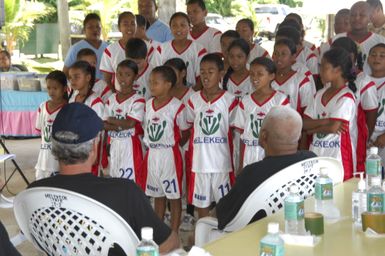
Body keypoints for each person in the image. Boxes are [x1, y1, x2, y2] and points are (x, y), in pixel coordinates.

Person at [28, 102, 180, 253]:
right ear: (94, 147)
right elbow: (169, 244)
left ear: (53, 146)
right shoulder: (125, 192)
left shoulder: (34, 192)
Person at [216, 106, 316, 230]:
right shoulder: (311, 161)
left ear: (263, 135)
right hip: (300, 231)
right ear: (299, 136)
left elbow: (223, 214)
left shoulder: (252, 174)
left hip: (258, 238)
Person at [186, 53, 238, 219]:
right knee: (202, 206)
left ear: (221, 73)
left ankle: (221, 239)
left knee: (224, 205)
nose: (206, 76)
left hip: (222, 163)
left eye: (210, 71)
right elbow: (188, 125)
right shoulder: (193, 100)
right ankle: (202, 240)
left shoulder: (230, 100)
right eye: (202, 72)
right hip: (200, 164)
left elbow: (235, 130)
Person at [143, 66, 189, 232]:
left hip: (169, 154)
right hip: (153, 154)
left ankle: (174, 233)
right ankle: (159, 230)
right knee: (158, 195)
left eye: (156, 82)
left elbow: (184, 131)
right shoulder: (148, 104)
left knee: (174, 196)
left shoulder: (177, 106)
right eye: (150, 82)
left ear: (168, 84)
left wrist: (174, 145)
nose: (151, 86)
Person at [303, 48, 358, 181]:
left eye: (323, 67)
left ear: (337, 70)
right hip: (317, 154)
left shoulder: (346, 97)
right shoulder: (320, 94)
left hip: (339, 157)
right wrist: (327, 121)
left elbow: (334, 128)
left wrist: (311, 130)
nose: (319, 71)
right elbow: (304, 123)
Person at [331, 37, 378, 173]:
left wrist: (364, 139)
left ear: (352, 57)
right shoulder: (332, 79)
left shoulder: (365, 82)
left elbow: (371, 114)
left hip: (355, 138)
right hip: (333, 139)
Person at [235, 57, 289, 171]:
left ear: (271, 76)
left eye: (260, 74)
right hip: (249, 154)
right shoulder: (245, 101)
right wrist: (240, 164)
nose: (255, 78)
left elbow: (285, 134)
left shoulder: (280, 100)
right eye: (252, 74)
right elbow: (242, 135)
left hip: (271, 154)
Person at [164, 58, 195, 231]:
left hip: (185, 143)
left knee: (189, 178)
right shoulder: (164, 94)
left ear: (183, 73)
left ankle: (190, 213)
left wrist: (180, 141)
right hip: (169, 146)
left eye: (173, 72)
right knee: (171, 178)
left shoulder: (191, 95)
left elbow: (190, 123)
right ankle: (170, 211)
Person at [103, 60, 145, 188]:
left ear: (135, 77)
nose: (122, 78)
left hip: (131, 146)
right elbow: (104, 124)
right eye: (119, 74)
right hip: (115, 145)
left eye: (127, 74)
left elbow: (130, 123)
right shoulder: (111, 99)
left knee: (131, 183)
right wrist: (120, 125)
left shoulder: (138, 99)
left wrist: (111, 120)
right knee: (116, 181)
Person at [321, 1, 385, 74]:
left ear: (369, 18)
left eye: (362, 15)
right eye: (353, 15)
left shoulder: (381, 42)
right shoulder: (335, 40)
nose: (357, 18)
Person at [68, 61, 105, 176]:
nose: (72, 80)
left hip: (89, 150)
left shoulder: (95, 102)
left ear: (88, 77)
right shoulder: (72, 98)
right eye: (70, 77)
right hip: (73, 147)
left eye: (76, 77)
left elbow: (97, 129)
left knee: (89, 180)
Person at [158, 12, 207, 89]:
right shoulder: (161, 49)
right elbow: (157, 74)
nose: (178, 29)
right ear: (170, 28)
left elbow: (201, 78)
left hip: (190, 94)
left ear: (189, 27)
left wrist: (190, 95)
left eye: (183, 25)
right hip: (167, 94)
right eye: (174, 25)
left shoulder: (199, 49)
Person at [35, 71, 68, 180]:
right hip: (43, 157)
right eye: (49, 88)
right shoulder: (42, 107)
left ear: (64, 89)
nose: (51, 91)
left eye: (55, 88)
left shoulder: (67, 108)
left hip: (59, 158)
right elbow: (41, 132)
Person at [271, 38, 315, 115]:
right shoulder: (267, 78)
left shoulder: (302, 81)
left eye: (283, 54)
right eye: (276, 53)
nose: (278, 58)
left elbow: (307, 111)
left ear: (293, 57)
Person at [63, 13, 108, 80]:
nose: (95, 30)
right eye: (90, 27)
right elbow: (65, 72)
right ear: (84, 30)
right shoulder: (76, 48)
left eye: (98, 27)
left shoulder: (108, 47)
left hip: (106, 89)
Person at [100, 11, 137, 92]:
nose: (129, 27)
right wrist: (116, 96)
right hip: (119, 96)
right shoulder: (110, 50)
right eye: (125, 24)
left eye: (133, 24)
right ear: (119, 27)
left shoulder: (146, 47)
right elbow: (107, 80)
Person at [368, 43, 385, 164]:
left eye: (382, 56)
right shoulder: (361, 81)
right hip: (365, 139)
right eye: (373, 55)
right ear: (368, 59)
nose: (377, 58)